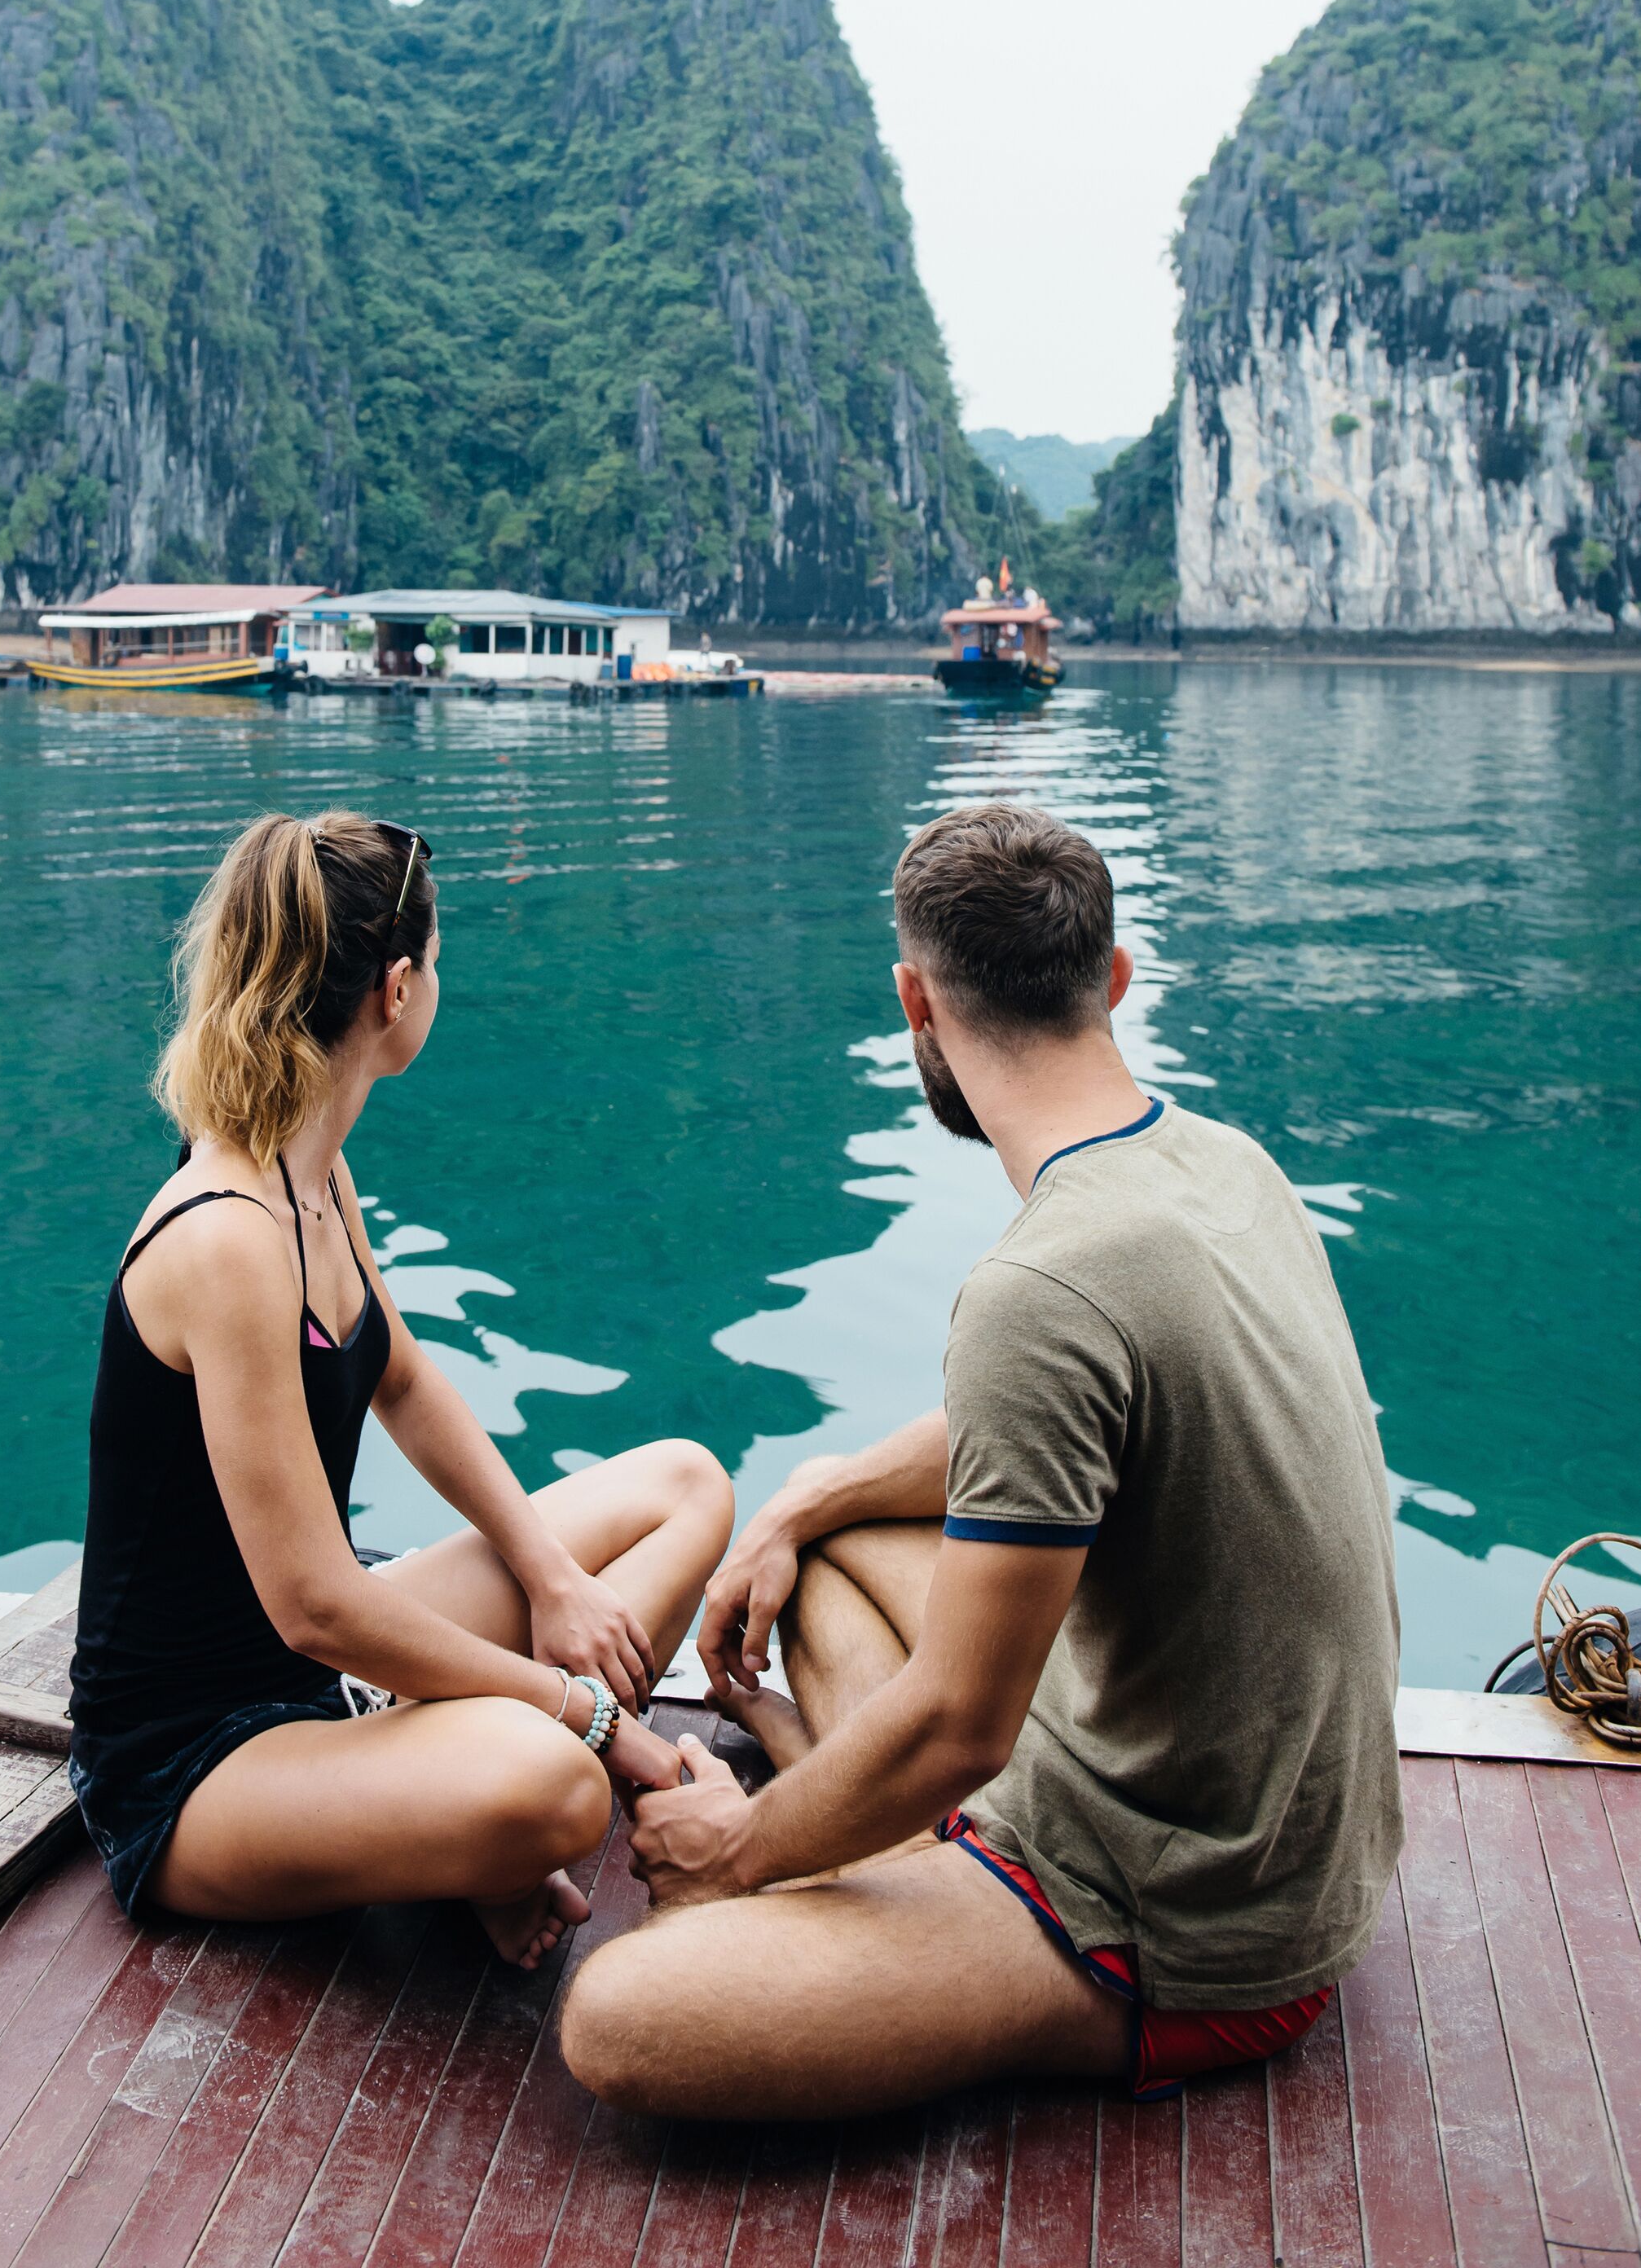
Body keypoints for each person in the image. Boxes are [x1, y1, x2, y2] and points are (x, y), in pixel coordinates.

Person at [561, 801, 1402, 2112]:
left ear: (917, 1004)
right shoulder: (1221, 1163)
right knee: (830, 1556)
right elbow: (1056, 1428)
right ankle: (873, 1838)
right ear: (1114, 980)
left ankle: (861, 1854)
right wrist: (802, 1500)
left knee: (619, 2018)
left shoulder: (1042, 1289)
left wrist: (738, 1853)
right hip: (1235, 1799)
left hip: (1192, 1921)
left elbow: (964, 1724)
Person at [69, 810, 733, 1969]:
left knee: (685, 1486)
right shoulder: (225, 1233)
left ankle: (442, 1828)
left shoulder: (310, 1168)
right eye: (440, 968)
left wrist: (550, 1576)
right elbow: (316, 1606)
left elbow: (410, 1384)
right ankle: (464, 1830)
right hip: (195, 1762)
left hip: (323, 1683)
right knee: (557, 1796)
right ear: (398, 988)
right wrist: (580, 1712)